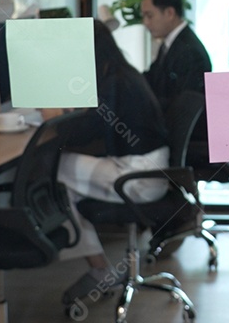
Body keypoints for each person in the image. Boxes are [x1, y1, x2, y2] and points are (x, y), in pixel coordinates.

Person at [58, 20, 171, 306]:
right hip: (152, 168)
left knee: (58, 171)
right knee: (66, 180)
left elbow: (89, 132)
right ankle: (98, 266)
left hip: (138, 177)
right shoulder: (123, 73)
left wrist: (53, 120)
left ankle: (98, 268)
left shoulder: (112, 82)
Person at [141, 0, 212, 110]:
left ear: (169, 13)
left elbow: (183, 105)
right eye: (144, 16)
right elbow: (152, 79)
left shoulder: (190, 51)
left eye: (149, 16)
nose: (145, 22)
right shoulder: (170, 44)